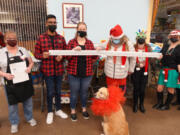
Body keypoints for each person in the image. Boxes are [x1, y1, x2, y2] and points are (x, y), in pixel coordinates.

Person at [0, 31, 36, 133]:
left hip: (25, 82)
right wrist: (5, 75)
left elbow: (31, 62)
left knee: (28, 102)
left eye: (14, 38)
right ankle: (14, 122)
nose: (12, 40)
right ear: (5, 40)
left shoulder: (23, 50)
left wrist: (29, 68)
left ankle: (29, 118)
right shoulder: (1, 53)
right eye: (9, 38)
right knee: (12, 105)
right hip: (10, 84)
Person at [35, 14, 68, 124]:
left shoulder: (61, 38)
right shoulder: (41, 38)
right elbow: (36, 54)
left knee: (58, 91)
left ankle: (58, 109)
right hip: (47, 71)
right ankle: (50, 111)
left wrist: (62, 57)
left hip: (59, 70)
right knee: (50, 92)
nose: (53, 24)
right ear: (46, 24)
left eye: (54, 22)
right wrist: (42, 56)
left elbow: (66, 53)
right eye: (50, 22)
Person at [66, 22, 98, 122]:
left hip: (87, 73)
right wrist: (73, 51)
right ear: (77, 30)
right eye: (80, 29)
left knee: (84, 93)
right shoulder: (71, 42)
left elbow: (94, 57)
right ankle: (73, 111)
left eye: (84, 29)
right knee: (74, 93)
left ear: (86, 30)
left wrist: (96, 51)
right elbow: (67, 57)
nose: (82, 31)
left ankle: (84, 109)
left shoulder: (89, 43)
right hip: (73, 73)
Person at [97, 24, 136, 90]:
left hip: (122, 74)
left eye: (117, 39)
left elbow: (133, 57)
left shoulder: (128, 44)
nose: (115, 40)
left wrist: (131, 69)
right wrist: (99, 47)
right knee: (110, 93)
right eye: (114, 39)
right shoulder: (109, 42)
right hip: (109, 73)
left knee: (120, 94)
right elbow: (101, 46)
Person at [153, 30, 180, 111]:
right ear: (169, 37)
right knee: (159, 88)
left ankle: (167, 105)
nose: (174, 38)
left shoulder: (179, 48)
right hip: (163, 70)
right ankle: (159, 103)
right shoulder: (166, 46)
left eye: (175, 37)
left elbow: (179, 63)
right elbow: (161, 55)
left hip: (173, 71)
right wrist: (159, 58)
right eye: (172, 36)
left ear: (179, 37)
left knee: (170, 89)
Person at [131, 30, 152, 113]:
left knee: (142, 89)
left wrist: (158, 57)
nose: (141, 39)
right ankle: (135, 104)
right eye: (139, 38)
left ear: (145, 39)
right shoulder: (133, 47)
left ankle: (141, 105)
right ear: (137, 39)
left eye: (143, 38)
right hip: (136, 70)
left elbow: (151, 58)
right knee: (136, 88)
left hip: (145, 70)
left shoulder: (149, 48)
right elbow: (130, 58)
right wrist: (137, 64)